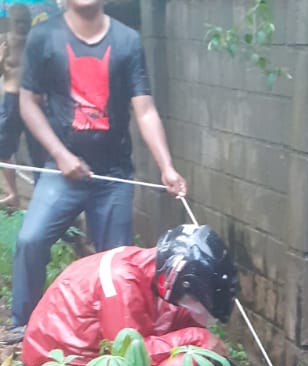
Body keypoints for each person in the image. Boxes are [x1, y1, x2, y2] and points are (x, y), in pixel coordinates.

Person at [6, 0, 187, 341]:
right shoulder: (43, 37)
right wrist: (60, 155)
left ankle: (112, 338)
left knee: (114, 266)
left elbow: (145, 110)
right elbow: (27, 103)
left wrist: (167, 167)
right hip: (61, 172)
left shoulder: (128, 41)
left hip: (113, 176)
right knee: (30, 240)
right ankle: (24, 325)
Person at [22, 223, 236, 366]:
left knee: (181, 318)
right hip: (67, 365)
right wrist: (196, 337)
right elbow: (129, 356)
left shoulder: (144, 265)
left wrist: (195, 328)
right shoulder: (121, 282)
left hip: (86, 345)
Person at [0, 3, 45, 210]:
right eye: (18, 22)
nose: (21, 26)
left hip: (34, 102)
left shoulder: (37, 42)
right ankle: (13, 193)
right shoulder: (4, 41)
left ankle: (40, 197)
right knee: (3, 149)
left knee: (39, 152)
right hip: (11, 99)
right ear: (10, 21)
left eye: (25, 22)